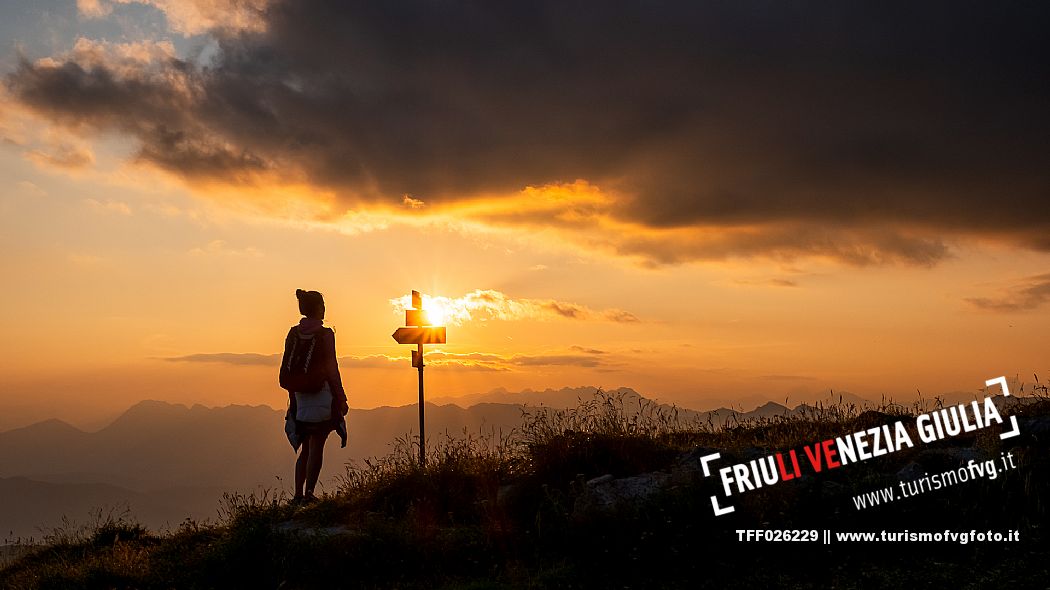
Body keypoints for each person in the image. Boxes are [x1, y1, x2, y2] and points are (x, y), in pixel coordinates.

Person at [279, 289, 349, 503]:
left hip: (299, 398)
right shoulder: (325, 334)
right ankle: (309, 494)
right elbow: (331, 367)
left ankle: (298, 494)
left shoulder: (293, 333)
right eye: (323, 305)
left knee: (306, 448)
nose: (325, 309)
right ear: (318, 308)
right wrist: (341, 397)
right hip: (321, 395)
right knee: (317, 445)